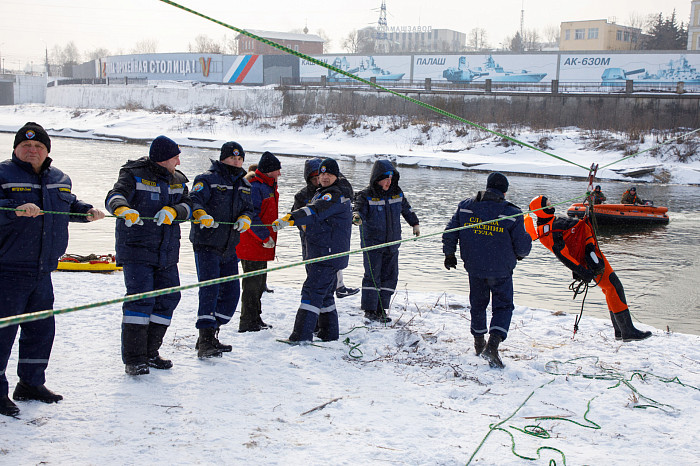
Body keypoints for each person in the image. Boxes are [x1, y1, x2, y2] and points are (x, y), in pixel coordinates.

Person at [0, 122, 105, 417]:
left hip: (44, 269)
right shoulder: (3, 174)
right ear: (16, 148)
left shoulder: (60, 177)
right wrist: (12, 209)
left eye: (39, 146)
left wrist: (85, 211)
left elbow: (67, 204)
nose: (32, 150)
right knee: (3, 333)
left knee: (41, 330)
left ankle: (31, 384)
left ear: (47, 151)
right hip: (8, 268)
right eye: (26, 146)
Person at [105, 135, 193, 375]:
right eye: (175, 156)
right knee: (140, 299)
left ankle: (151, 352)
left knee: (168, 298)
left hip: (167, 251)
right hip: (137, 248)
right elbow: (114, 196)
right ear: (164, 158)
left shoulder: (178, 179)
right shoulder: (133, 173)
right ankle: (134, 359)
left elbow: (189, 205)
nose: (178, 160)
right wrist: (122, 209)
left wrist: (174, 211)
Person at [526, 195, 652, 342]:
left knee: (609, 289)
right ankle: (628, 332)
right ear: (541, 210)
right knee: (614, 287)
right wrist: (582, 271)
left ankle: (620, 331)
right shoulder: (548, 230)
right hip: (589, 260)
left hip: (590, 253)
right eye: (547, 204)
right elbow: (563, 255)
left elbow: (570, 233)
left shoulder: (550, 223)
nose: (551, 205)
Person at [442, 172, 531, 369]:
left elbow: (449, 232)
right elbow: (523, 247)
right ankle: (492, 346)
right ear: (504, 192)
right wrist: (522, 253)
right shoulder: (512, 213)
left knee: (478, 304)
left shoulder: (465, 206)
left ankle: (479, 343)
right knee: (503, 306)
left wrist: (449, 254)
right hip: (501, 270)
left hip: (475, 267)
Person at [272, 158, 352, 342]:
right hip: (327, 252)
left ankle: (301, 335)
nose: (324, 177)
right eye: (321, 174)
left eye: (328, 174)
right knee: (324, 296)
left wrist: (289, 218)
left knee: (311, 292)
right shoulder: (327, 192)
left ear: (336, 176)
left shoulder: (332, 195)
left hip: (326, 253)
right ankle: (329, 333)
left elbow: (314, 211)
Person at [189, 141, 253, 358]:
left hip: (229, 246)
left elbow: (249, 208)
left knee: (232, 292)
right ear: (223, 158)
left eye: (240, 158)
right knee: (209, 291)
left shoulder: (245, 184)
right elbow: (194, 201)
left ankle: (211, 332)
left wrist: (245, 218)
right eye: (233, 157)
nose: (237, 161)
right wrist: (201, 215)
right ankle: (205, 340)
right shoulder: (206, 179)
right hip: (207, 244)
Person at [353, 160, 419, 323]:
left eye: (391, 178)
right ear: (376, 179)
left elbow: (407, 209)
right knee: (373, 277)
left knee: (390, 276)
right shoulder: (366, 195)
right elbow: (357, 210)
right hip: (373, 244)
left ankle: (381, 308)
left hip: (393, 243)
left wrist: (415, 223)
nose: (389, 182)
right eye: (385, 179)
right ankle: (370, 310)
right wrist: (356, 217)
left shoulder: (397, 193)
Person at [291, 158, 358, 299]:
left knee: (331, 269)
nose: (320, 179)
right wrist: (303, 225)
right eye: (316, 177)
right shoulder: (302, 195)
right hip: (309, 237)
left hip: (329, 238)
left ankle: (338, 288)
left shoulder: (335, 192)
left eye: (321, 176)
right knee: (313, 269)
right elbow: (298, 214)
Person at [235, 151, 280, 332]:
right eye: (277, 170)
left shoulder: (268, 185)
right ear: (269, 170)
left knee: (259, 283)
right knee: (252, 285)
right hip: (252, 244)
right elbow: (251, 216)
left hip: (262, 245)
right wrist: (264, 237)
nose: (279, 173)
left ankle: (255, 317)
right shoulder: (255, 187)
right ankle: (247, 321)